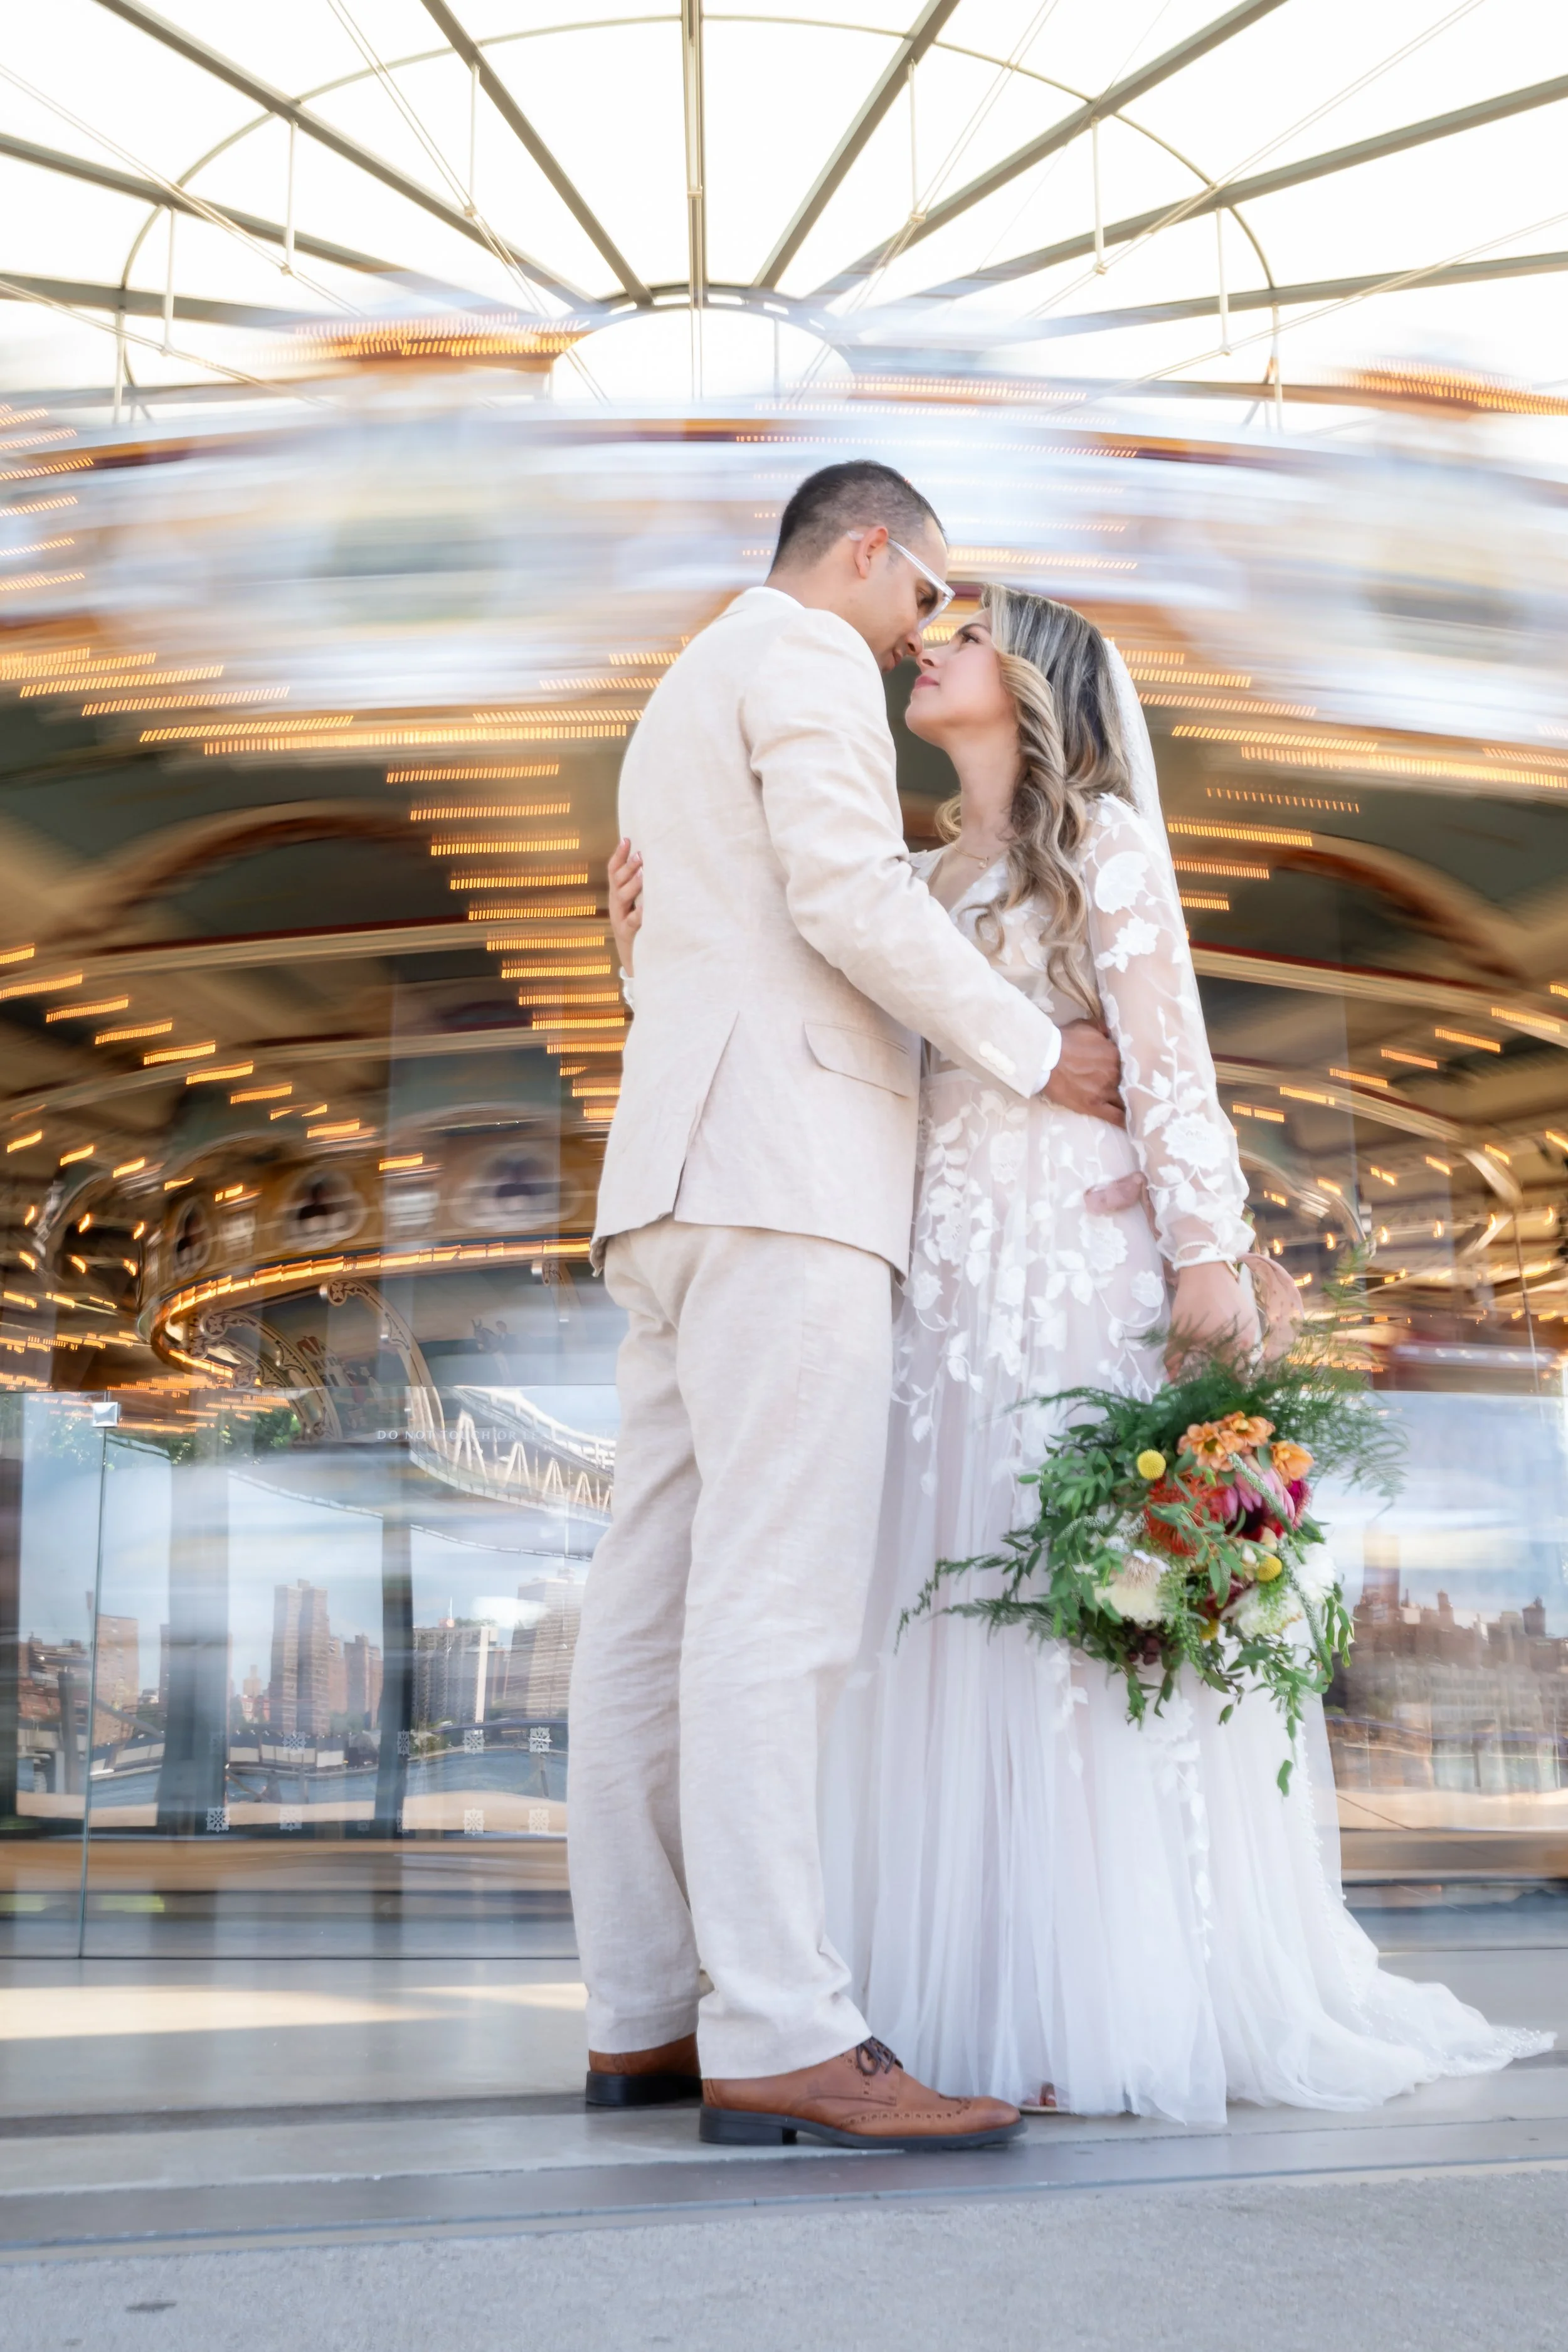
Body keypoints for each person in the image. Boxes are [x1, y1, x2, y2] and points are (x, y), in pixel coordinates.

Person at [815, 587, 1552, 2123]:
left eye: (963, 629)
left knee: (1080, 1620)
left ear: (1034, 679)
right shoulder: (909, 873)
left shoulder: (1104, 850)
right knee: (943, 1617)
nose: (924, 646)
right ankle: (954, 1986)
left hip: (1077, 1286)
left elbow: (1171, 1068)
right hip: (937, 1310)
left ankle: (1109, 1989)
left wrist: (1206, 1259)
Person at [571, 460, 1129, 2154]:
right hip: (783, 1179)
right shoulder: (806, 652)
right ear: (869, 551)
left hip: (671, 1182)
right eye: (930, 596)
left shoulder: (685, 678)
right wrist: (1040, 1051)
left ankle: (642, 2008)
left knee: (648, 1610)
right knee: (773, 1602)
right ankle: (783, 2027)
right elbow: (834, 892)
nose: (927, 634)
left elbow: (698, 940)